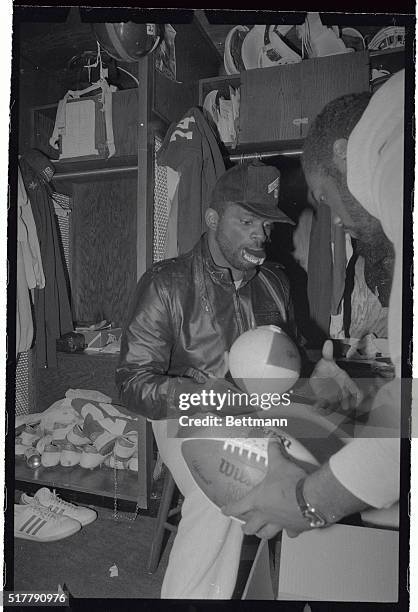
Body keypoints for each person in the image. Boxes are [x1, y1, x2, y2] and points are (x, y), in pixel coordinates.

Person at [223, 70, 404, 538]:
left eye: (325, 198)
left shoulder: (397, 177)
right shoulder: (169, 282)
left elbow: (409, 428)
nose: (338, 221)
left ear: (345, 152)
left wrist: (306, 504)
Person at [116, 161, 300, 598]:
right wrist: (201, 395)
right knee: (228, 492)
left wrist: (313, 373)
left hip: (257, 414)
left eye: (266, 224)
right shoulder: (167, 283)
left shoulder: (274, 282)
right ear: (213, 218)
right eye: (247, 221)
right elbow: (130, 383)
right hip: (182, 411)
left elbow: (286, 360)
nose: (260, 235)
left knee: (334, 458)